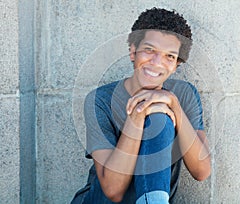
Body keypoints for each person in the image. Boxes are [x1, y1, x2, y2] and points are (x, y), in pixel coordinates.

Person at [71, 7, 211, 204]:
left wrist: (175, 108)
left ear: (176, 64)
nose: (157, 62)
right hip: (101, 200)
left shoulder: (184, 94)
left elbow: (201, 171)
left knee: (160, 115)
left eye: (169, 56)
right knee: (156, 114)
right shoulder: (100, 99)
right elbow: (113, 191)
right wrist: (136, 117)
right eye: (149, 50)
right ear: (133, 51)